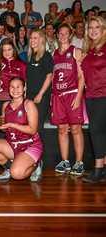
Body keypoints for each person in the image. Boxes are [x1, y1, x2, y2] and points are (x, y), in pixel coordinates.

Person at [0, 77, 43, 182]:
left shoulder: (29, 104)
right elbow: (5, 128)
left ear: (24, 88)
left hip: (29, 145)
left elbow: (32, 130)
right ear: (9, 89)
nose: (15, 90)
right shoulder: (6, 105)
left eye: (18, 87)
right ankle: (8, 167)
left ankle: (36, 166)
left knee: (16, 174)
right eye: (12, 87)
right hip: (13, 144)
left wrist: (12, 125)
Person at [50, 24, 85, 175]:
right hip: (58, 95)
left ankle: (79, 162)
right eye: (61, 33)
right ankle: (65, 162)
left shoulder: (76, 51)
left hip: (72, 93)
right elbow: (53, 77)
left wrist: (78, 97)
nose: (63, 36)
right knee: (62, 129)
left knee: (76, 129)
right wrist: (52, 97)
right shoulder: (54, 54)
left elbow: (82, 76)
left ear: (70, 35)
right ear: (57, 35)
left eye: (66, 33)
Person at [81, 16, 106, 183]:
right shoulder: (89, 50)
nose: (93, 30)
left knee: (96, 132)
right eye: (90, 27)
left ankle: (98, 170)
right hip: (91, 96)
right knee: (100, 132)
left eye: (97, 27)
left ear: (103, 29)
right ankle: (103, 168)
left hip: (103, 95)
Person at [26, 29, 53, 137]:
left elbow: (49, 76)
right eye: (31, 38)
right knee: (30, 126)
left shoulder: (46, 56)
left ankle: (38, 152)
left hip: (40, 97)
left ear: (41, 40)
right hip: (30, 95)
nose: (32, 40)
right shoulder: (30, 56)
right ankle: (31, 152)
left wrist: (40, 94)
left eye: (35, 38)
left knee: (37, 127)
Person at [0, 38, 26, 122]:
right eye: (4, 50)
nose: (7, 52)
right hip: (0, 99)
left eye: (9, 49)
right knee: (1, 128)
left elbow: (26, 83)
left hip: (17, 99)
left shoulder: (22, 64)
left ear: (13, 49)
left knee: (17, 125)